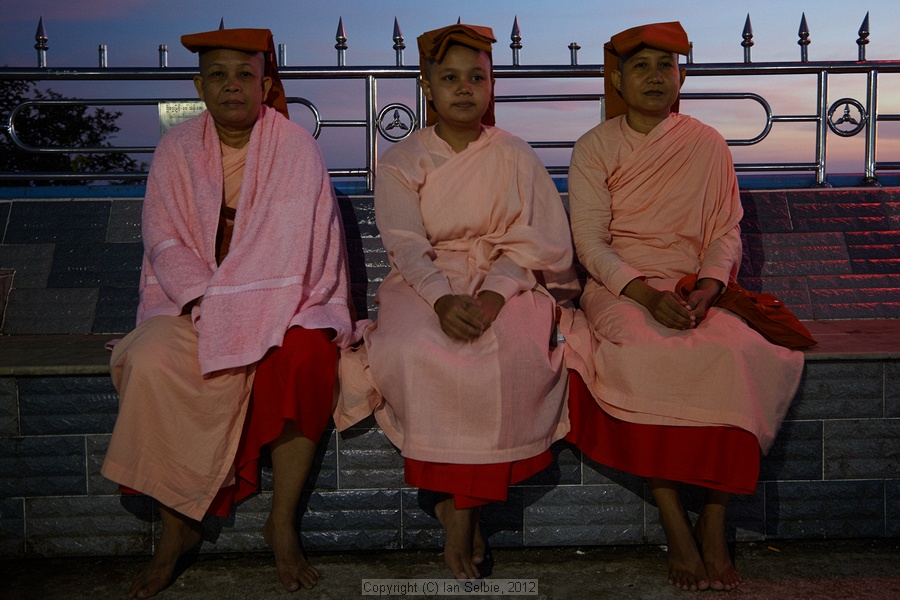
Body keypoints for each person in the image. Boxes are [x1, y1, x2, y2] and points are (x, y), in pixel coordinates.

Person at [100, 28, 357, 598]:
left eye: (245, 74)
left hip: (285, 303)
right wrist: (205, 302)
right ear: (199, 86)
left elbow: (299, 248)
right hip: (190, 305)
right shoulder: (175, 148)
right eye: (218, 75)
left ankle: (282, 524)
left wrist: (248, 310)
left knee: (306, 359)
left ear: (266, 85)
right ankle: (177, 530)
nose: (232, 86)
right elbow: (163, 240)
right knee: (150, 360)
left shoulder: (294, 146)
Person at [561, 21, 804, 592]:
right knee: (646, 352)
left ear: (682, 76)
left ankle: (714, 517)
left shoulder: (706, 143)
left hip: (692, 284)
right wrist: (644, 294)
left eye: (665, 66)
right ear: (617, 78)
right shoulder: (596, 147)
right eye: (639, 66)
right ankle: (673, 516)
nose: (653, 77)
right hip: (622, 287)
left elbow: (725, 231)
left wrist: (708, 288)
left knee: (734, 352)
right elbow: (590, 243)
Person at [336, 23, 578, 581]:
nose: (465, 88)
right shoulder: (402, 159)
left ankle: (457, 515)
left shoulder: (516, 154)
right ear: (427, 85)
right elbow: (405, 244)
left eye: (477, 77)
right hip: (423, 283)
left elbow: (541, 238)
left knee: (507, 347)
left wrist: (493, 295)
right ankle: (463, 515)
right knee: (417, 348)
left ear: (492, 85)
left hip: (508, 277)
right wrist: (444, 301)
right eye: (450, 78)